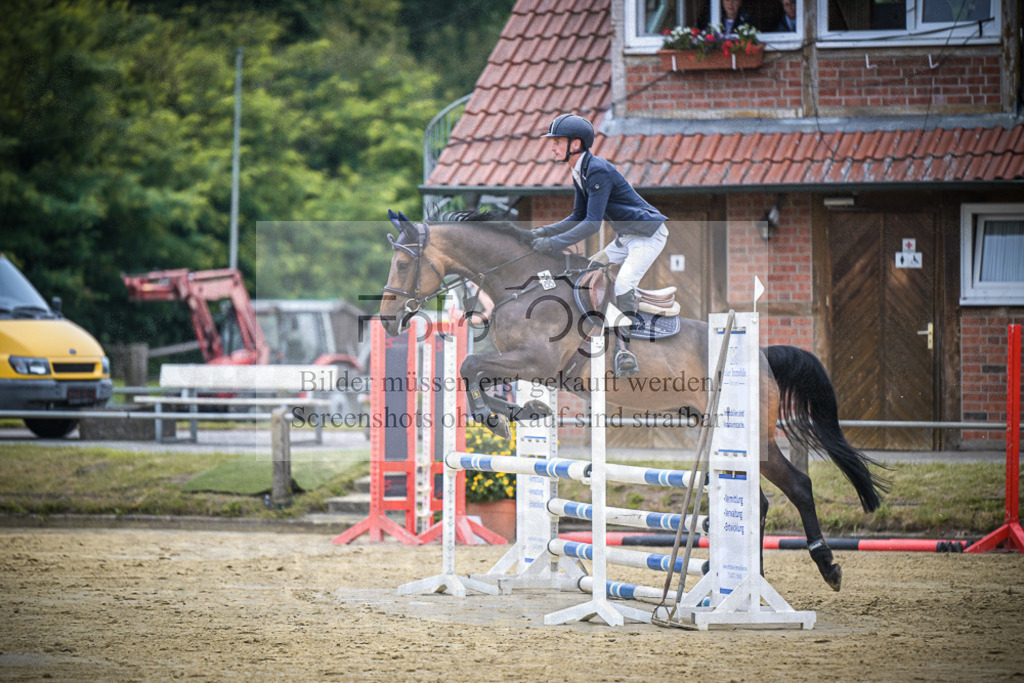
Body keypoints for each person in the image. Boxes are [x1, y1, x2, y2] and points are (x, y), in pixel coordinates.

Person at [530, 113, 668, 378]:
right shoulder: (579, 171)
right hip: (625, 238)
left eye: (557, 141)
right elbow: (577, 216)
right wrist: (544, 232)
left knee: (624, 284)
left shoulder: (597, 170)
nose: (552, 147)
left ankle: (624, 350)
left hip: (648, 236)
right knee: (587, 271)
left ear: (575, 144)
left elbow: (592, 224)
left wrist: (553, 243)